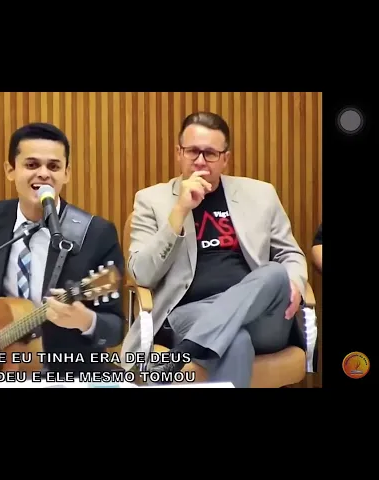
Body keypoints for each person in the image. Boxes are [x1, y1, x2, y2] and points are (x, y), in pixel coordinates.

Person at [120, 112, 308, 388]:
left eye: (210, 154)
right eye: (192, 151)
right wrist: (179, 211)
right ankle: (199, 342)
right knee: (234, 340)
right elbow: (142, 274)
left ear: (225, 159)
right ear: (178, 153)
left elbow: (290, 254)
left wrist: (295, 282)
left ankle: (185, 351)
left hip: (262, 317)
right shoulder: (152, 200)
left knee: (274, 272)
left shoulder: (261, 194)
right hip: (191, 314)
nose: (200, 161)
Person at [0, 122, 125, 375]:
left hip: (68, 372)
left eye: (53, 166)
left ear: (67, 174)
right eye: (31, 165)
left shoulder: (95, 233)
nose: (43, 174)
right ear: (10, 170)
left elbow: (116, 328)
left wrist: (86, 321)